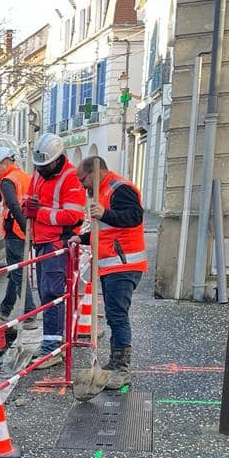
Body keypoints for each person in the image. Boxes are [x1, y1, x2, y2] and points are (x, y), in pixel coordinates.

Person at [70, 155, 148, 389]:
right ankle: (115, 362)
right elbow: (103, 229)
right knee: (115, 316)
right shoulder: (101, 192)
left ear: (95, 172)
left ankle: (122, 368)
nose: (82, 185)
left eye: (83, 179)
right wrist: (82, 237)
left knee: (118, 317)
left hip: (123, 264)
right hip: (111, 264)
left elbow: (134, 217)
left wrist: (104, 213)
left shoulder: (119, 188)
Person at [23, 133, 86, 367]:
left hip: (57, 243)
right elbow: (29, 199)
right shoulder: (39, 173)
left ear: (58, 159)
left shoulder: (71, 178)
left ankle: (53, 348)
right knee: (46, 294)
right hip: (41, 241)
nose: (41, 169)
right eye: (38, 165)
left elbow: (73, 216)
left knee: (52, 294)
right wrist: (25, 205)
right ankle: (52, 341)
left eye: (45, 164)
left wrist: (37, 213)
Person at [0, 146, 37, 327]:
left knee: (18, 273)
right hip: (25, 230)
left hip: (15, 232)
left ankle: (30, 312)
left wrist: (24, 228)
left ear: (6, 162)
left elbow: (13, 205)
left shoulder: (7, 181)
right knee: (15, 270)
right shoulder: (25, 177)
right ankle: (5, 308)